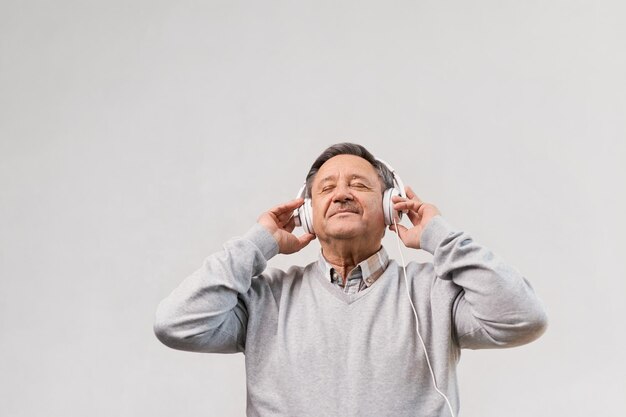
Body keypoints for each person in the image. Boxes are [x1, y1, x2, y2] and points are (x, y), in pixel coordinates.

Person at [153, 142, 548, 417]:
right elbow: (175, 324)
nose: (342, 194)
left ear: (391, 209)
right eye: (327, 188)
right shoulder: (265, 300)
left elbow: (524, 318)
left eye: (359, 185)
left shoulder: (432, 293)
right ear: (308, 213)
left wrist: (439, 236)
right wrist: (259, 243)